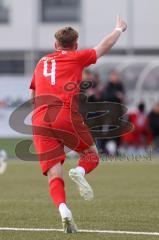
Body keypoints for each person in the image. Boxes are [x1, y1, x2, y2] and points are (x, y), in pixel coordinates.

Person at [30, 15, 127, 233]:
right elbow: (104, 45)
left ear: (55, 45)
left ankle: (64, 209)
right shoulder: (76, 57)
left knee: (54, 174)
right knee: (91, 155)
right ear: (75, 45)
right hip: (63, 113)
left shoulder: (41, 62)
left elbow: (33, 93)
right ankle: (80, 172)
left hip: (39, 118)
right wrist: (119, 29)